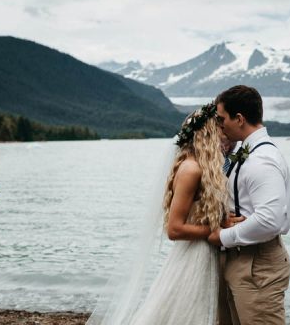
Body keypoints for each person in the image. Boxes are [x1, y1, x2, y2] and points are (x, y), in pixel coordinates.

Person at [87, 103, 233, 325]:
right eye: (220, 130)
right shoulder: (191, 169)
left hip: (203, 253)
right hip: (193, 257)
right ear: (208, 133)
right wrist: (217, 229)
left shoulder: (200, 167)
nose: (225, 135)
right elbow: (174, 229)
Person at [209, 85, 290, 325]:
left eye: (222, 118)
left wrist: (222, 237)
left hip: (258, 264)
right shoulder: (248, 151)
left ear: (239, 118)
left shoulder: (261, 160)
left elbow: (270, 219)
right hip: (244, 259)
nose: (220, 124)